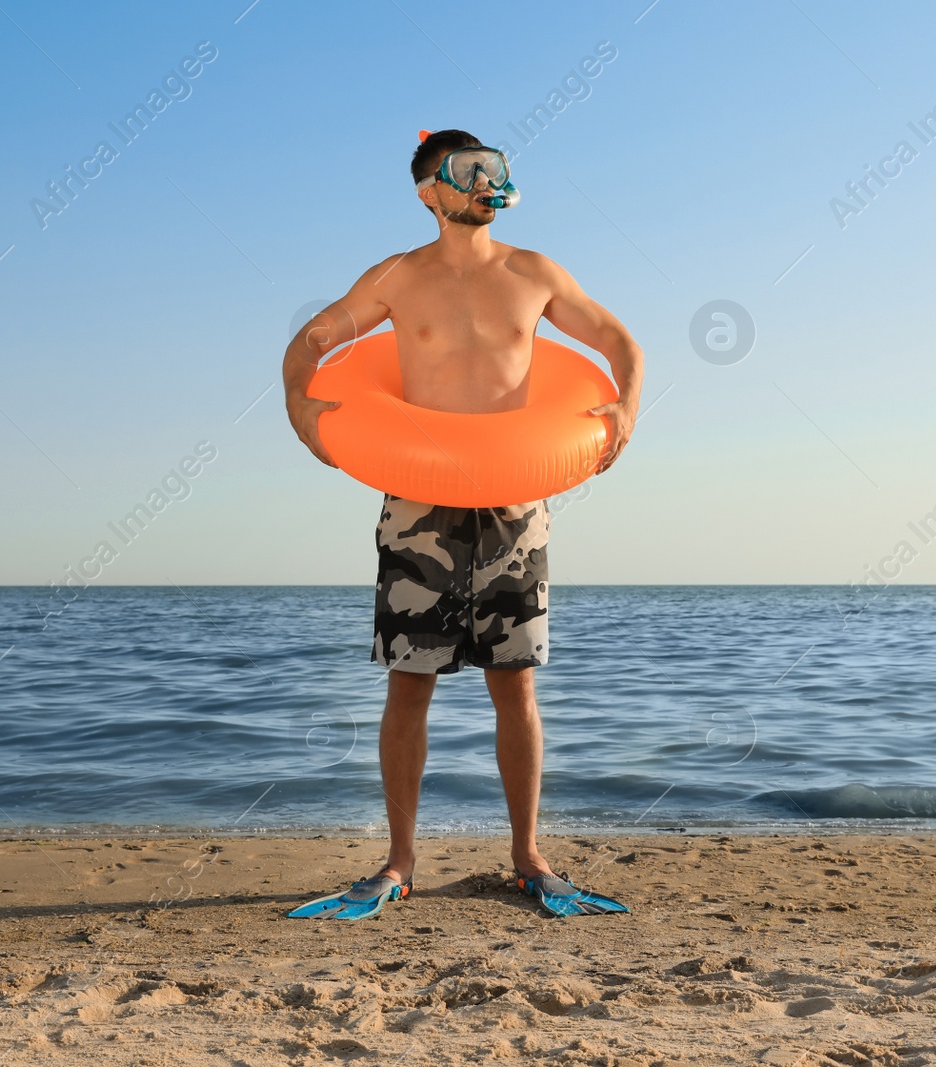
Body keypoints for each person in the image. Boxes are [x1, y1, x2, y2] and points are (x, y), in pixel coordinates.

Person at [281, 129, 643, 919]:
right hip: (419, 502)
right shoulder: (399, 278)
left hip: (517, 496)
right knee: (409, 684)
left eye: (496, 169)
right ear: (429, 192)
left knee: (515, 685)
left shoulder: (534, 272)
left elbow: (617, 339)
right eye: (469, 173)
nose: (486, 183)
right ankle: (399, 862)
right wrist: (301, 408)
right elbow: (316, 338)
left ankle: (528, 856)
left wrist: (627, 406)